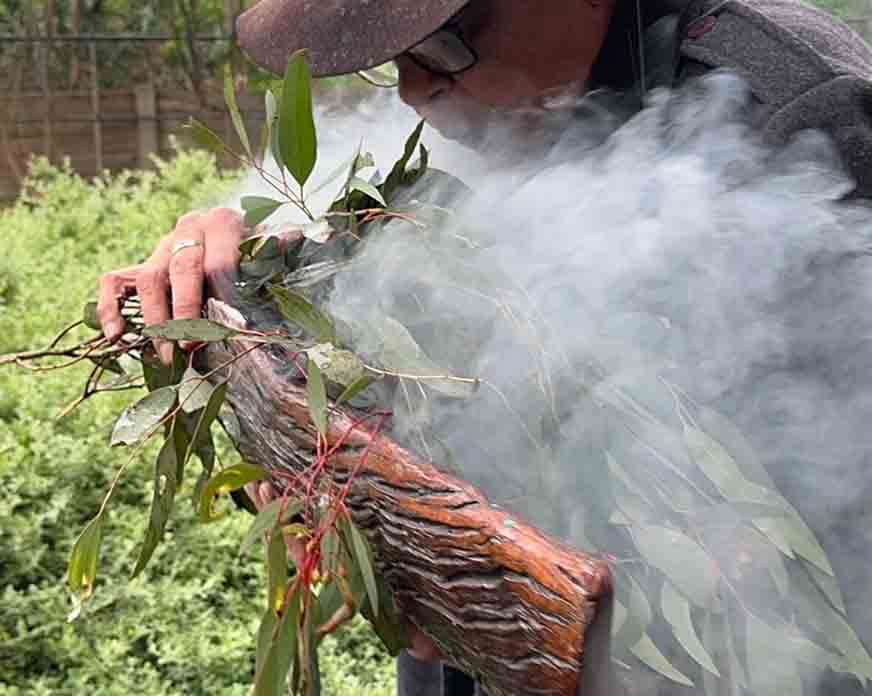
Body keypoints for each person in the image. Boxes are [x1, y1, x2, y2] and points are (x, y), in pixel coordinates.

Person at [97, 1, 872, 694]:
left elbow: (809, 577)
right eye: (389, 52)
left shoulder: (801, 119)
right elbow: (360, 362)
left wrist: (535, 609)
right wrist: (242, 301)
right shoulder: (469, 116)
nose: (411, 90)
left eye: (445, 39)